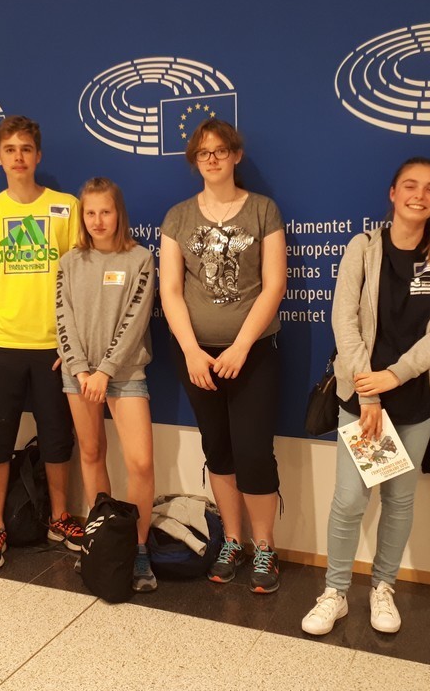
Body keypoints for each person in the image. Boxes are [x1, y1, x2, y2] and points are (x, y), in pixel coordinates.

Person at [300, 158, 430, 634]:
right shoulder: (363, 247)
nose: (420, 195)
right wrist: (369, 392)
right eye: (410, 186)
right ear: (392, 193)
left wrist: (395, 375)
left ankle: (383, 587)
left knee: (399, 498)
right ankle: (335, 592)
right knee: (349, 500)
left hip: (415, 399)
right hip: (362, 398)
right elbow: (344, 321)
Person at [159, 118, 286, 594]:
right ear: (195, 160)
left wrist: (241, 346)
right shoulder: (178, 217)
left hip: (253, 352)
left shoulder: (263, 210)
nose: (212, 159)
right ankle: (232, 540)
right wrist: (192, 351)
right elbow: (171, 291)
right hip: (196, 357)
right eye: (203, 152)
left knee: (254, 452)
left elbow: (274, 285)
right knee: (219, 449)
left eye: (220, 150)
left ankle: (265, 547)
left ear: (235, 155)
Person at [0, 115, 84, 571]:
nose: (18, 157)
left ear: (38, 155)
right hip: (1, 343)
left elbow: (79, 279)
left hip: (54, 347)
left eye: (26, 149)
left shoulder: (67, 207)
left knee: (57, 437)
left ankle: (59, 517)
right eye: (10, 149)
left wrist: (72, 345)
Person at [55, 177, 157, 591]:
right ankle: (100, 542)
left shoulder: (140, 258)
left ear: (119, 214)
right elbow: (63, 318)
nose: (98, 221)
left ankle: (138, 548)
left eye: (106, 212)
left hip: (124, 373)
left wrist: (105, 371)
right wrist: (81, 370)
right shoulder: (69, 262)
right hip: (78, 374)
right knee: (92, 453)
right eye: (91, 213)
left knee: (141, 464)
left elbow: (136, 319)